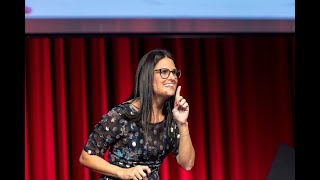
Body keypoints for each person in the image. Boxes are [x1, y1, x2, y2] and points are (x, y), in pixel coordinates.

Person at [79, 49, 195, 180]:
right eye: (164, 72)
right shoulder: (122, 115)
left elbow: (187, 164)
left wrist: (182, 124)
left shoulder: (171, 118)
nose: (172, 77)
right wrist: (123, 172)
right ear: (147, 76)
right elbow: (86, 157)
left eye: (174, 72)